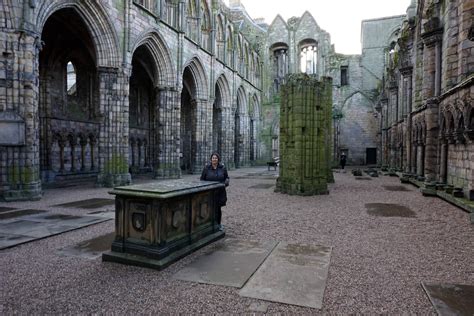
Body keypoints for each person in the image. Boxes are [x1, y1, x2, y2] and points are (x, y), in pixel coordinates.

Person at [200, 152, 229, 231]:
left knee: (218, 209)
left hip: (220, 192)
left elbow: (227, 178)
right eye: (213, 158)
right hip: (209, 192)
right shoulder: (206, 168)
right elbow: (202, 179)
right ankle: (208, 225)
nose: (214, 159)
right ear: (211, 159)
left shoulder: (222, 168)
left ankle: (218, 224)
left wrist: (225, 183)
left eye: (216, 158)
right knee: (208, 208)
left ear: (218, 159)